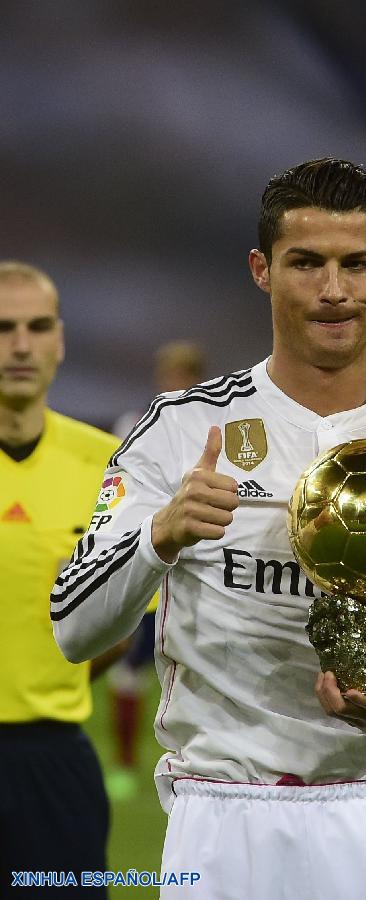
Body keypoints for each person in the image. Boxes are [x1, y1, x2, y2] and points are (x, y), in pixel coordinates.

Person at [52, 159, 366, 900]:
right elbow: (74, 629)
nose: (334, 291)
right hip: (224, 820)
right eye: (307, 263)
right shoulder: (182, 429)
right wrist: (158, 538)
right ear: (262, 270)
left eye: (356, 264)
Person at [0, 261, 122, 895]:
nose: (20, 346)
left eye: (37, 327)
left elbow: (119, 624)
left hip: (57, 763)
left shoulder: (105, 466)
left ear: (60, 339)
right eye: (3, 328)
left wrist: (55, 679)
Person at [107, 340, 207, 799]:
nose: (176, 384)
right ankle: (125, 764)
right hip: (142, 576)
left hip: (192, 580)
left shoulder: (215, 430)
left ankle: (197, 760)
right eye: (170, 375)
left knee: (194, 672)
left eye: (185, 375)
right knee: (126, 672)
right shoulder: (135, 427)